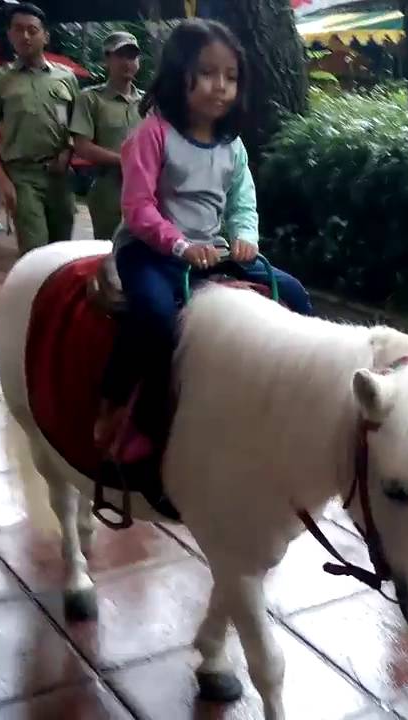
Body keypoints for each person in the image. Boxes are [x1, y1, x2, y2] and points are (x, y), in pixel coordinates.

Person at [95, 18, 314, 488]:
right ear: (180, 74)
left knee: (293, 296)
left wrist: (245, 235)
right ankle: (129, 413)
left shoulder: (231, 146)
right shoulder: (151, 135)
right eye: (209, 73)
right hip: (150, 250)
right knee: (155, 317)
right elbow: (138, 207)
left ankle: (289, 404)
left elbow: (242, 200)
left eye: (231, 76)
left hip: (210, 252)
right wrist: (179, 243)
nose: (221, 86)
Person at [0, 2, 80, 254]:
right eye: (18, 29)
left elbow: (76, 126)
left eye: (32, 30)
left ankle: (58, 295)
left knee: (62, 250)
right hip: (22, 176)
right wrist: (2, 180)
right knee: (35, 250)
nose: (25, 36)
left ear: (45, 36)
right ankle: (35, 293)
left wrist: (67, 151)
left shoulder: (66, 77)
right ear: (10, 34)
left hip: (60, 176)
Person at [69, 30, 144, 241]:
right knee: (109, 252)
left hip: (146, 189)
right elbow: (82, 146)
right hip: (108, 189)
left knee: (145, 252)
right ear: (107, 60)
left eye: (132, 56)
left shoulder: (149, 103)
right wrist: (125, 160)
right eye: (120, 55)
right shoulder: (91, 99)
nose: (127, 62)